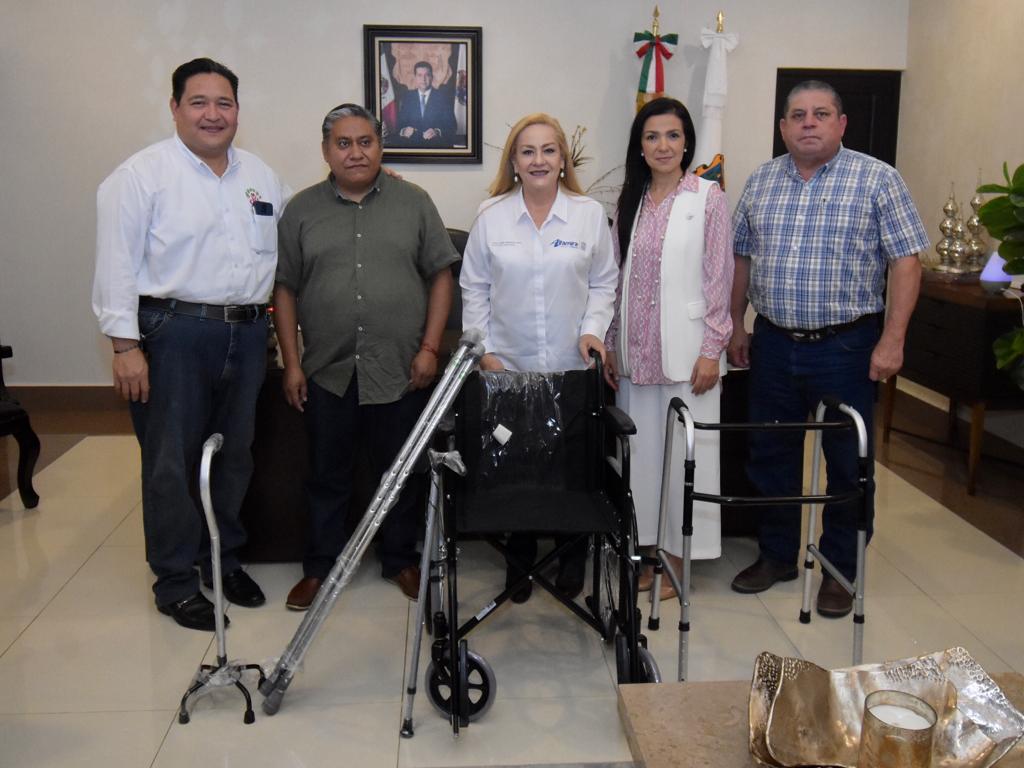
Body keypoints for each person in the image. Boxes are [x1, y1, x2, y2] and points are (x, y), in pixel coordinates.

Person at [92, 58, 290, 631]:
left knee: (234, 456)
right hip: (172, 335)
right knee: (171, 463)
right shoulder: (140, 176)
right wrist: (125, 347)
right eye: (198, 102)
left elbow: (295, 232)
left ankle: (221, 560)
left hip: (247, 335)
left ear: (238, 111)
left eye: (223, 103)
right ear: (175, 108)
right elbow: (115, 264)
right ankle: (176, 581)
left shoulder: (261, 176)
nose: (212, 114)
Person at [728, 80, 927, 617]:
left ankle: (840, 569)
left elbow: (906, 261)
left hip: (847, 346)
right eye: (797, 115)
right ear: (783, 128)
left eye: (820, 113)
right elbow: (740, 258)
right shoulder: (762, 181)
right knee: (770, 454)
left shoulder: (877, 179)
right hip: (773, 343)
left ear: (841, 123)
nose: (808, 123)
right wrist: (736, 324)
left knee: (847, 462)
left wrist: (893, 339)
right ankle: (777, 555)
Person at [274, 103, 457, 610]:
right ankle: (320, 567)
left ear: (380, 147)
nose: (355, 152)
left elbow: (441, 275)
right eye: (343, 143)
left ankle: (399, 560)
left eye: (365, 142)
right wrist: (292, 363)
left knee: (401, 471)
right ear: (326, 150)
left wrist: (429, 349)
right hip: (327, 370)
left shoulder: (414, 202)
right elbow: (285, 288)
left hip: (400, 368)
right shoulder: (301, 210)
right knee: (325, 475)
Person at [460, 113, 619, 603]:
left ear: (562, 159)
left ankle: (572, 556)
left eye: (549, 150)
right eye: (527, 151)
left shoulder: (588, 214)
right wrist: (485, 352)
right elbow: (474, 289)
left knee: (573, 467)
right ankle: (520, 557)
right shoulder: (491, 215)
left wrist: (593, 331)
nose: (538, 160)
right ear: (513, 161)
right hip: (508, 370)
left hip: (573, 368)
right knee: (517, 467)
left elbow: (604, 283)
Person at [603, 97, 733, 601]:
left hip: (689, 355)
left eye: (673, 135)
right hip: (636, 356)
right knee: (643, 461)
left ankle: (681, 558)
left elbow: (719, 278)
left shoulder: (708, 197)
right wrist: (611, 343)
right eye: (652, 136)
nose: (663, 145)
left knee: (684, 459)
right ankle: (649, 553)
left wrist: (712, 349)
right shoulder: (629, 201)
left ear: (687, 143)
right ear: (640, 145)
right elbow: (616, 278)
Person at [395, 61, 456, 145]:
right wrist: (404, 130)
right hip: (411, 145)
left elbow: (452, 126)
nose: (423, 79)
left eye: (427, 75)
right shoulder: (407, 97)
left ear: (432, 77)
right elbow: (399, 125)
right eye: (419, 75)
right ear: (415, 78)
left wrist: (437, 131)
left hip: (435, 146)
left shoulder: (443, 98)